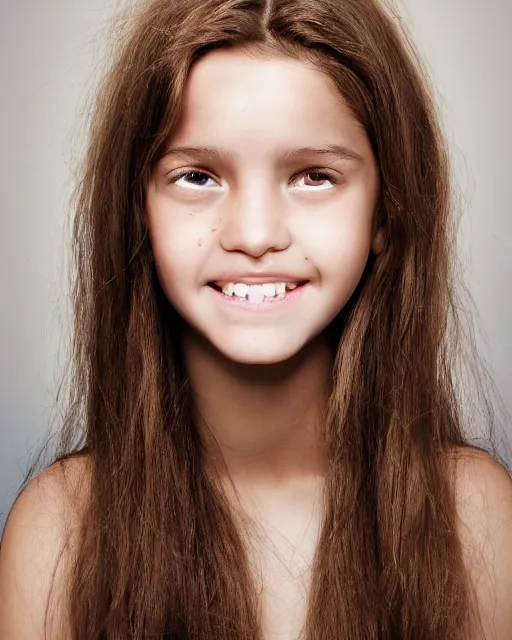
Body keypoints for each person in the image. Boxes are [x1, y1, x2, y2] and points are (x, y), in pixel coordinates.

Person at [1, 0, 511, 638]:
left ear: (387, 212)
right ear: (138, 212)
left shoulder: (475, 520)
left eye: (314, 177)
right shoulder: (61, 530)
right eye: (197, 176)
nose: (255, 234)